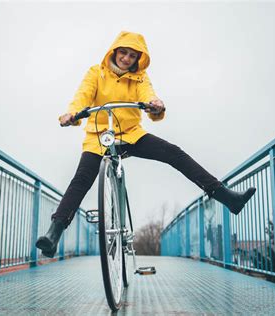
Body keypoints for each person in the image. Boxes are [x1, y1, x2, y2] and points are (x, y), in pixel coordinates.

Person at [36, 31, 256, 258]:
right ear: (114, 51)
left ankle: (227, 197)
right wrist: (71, 114)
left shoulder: (140, 77)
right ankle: (54, 234)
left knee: (174, 153)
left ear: (137, 59)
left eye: (132, 55)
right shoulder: (96, 73)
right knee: (81, 179)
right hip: (99, 137)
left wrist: (155, 104)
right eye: (123, 53)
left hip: (131, 134)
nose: (126, 59)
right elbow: (82, 97)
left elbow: (148, 94)